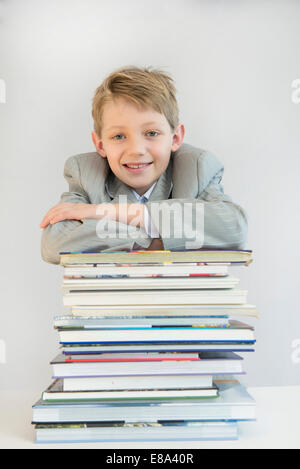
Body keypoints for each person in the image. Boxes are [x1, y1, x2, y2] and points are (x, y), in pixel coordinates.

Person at [40, 66, 247, 265]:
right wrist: (159, 243)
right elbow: (55, 243)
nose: (136, 150)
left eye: (151, 133)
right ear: (100, 145)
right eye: (119, 136)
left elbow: (233, 227)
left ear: (175, 138)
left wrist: (109, 212)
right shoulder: (85, 172)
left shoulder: (196, 167)